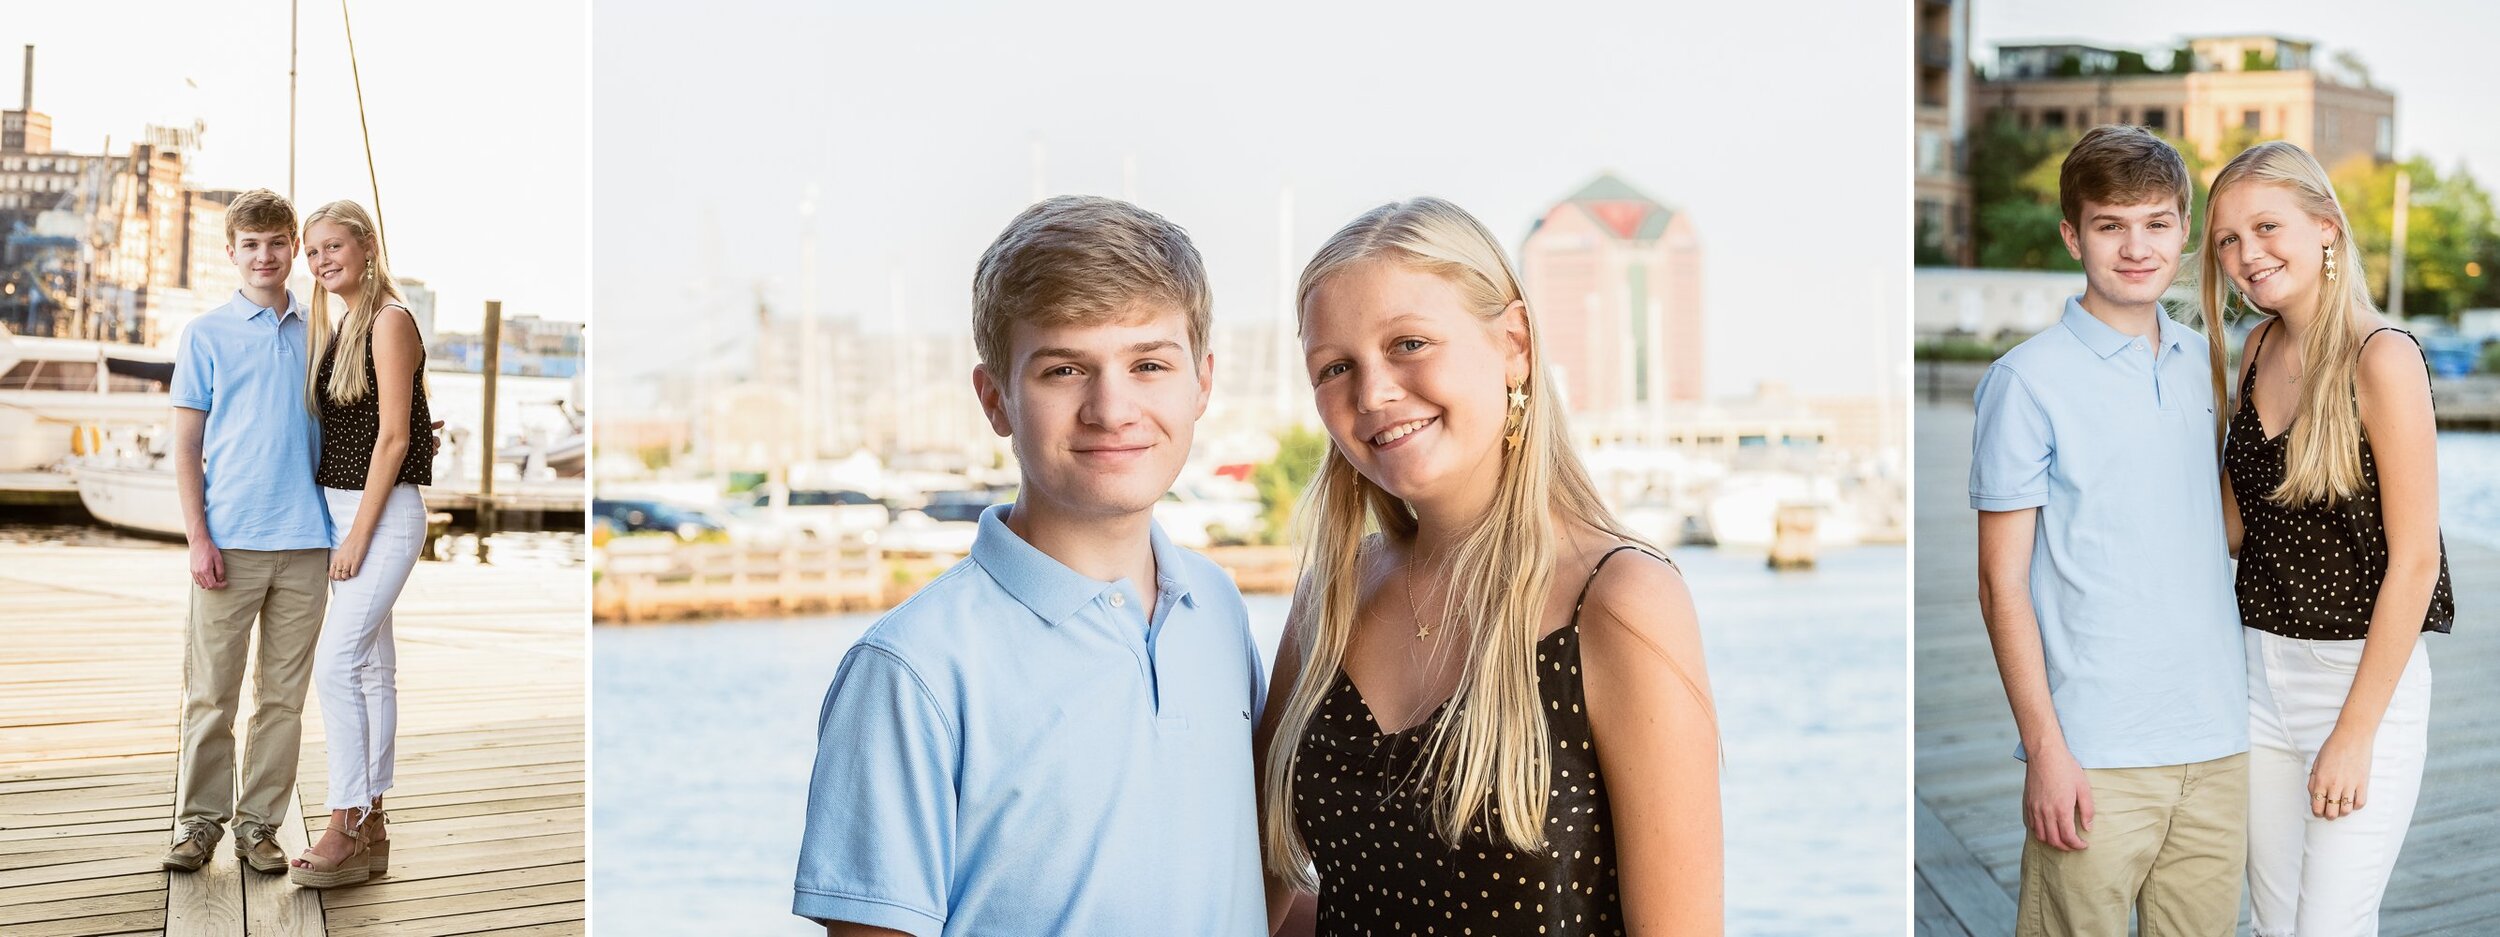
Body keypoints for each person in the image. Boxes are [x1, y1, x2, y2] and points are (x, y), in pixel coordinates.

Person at [791, 195, 1266, 936]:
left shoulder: (1216, 608)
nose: (1112, 408)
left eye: (1149, 363)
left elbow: (1249, 887)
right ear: (995, 398)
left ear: (1201, 382)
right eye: (1065, 369)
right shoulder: (912, 668)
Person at [1255, 197, 1720, 935]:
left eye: (1408, 343)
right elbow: (1258, 897)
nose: (1372, 392)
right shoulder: (1331, 596)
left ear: (1514, 343)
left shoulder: (1619, 599)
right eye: (1335, 366)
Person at [1968, 125, 2248, 936]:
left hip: (2219, 737)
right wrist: (2046, 750)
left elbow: (2216, 524)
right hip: (2094, 748)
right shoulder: (2025, 380)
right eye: (2110, 225)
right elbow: (1999, 584)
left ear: (2183, 231)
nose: (2136, 247)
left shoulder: (2212, 362)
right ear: (2072, 234)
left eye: (2157, 223)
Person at [2200, 140, 2452, 937]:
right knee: (2275, 925)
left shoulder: (2385, 359)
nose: (2248, 255)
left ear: (2327, 227)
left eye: (2267, 226)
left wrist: (2353, 733)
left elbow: (2417, 560)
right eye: (2228, 241)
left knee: (2330, 926)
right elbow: (2233, 529)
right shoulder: (2255, 351)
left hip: (2357, 682)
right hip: (2254, 676)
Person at [164, 188, 333, 875]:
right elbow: (185, 447)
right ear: (231, 252)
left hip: (306, 544)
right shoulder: (205, 334)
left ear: (294, 248)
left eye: (276, 242)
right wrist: (197, 537)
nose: (265, 255)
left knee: (282, 699)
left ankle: (259, 825)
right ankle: (198, 823)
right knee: (210, 693)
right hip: (229, 541)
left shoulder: (322, 331)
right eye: (251, 244)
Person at [286, 199, 436, 888]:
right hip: (348, 510)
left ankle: (342, 816)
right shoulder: (345, 322)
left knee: (336, 663)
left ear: (368, 246)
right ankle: (374, 820)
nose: (321, 261)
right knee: (372, 669)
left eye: (333, 246)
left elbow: (397, 438)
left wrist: (355, 537)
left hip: (381, 516)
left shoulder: (389, 319)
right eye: (312, 251)